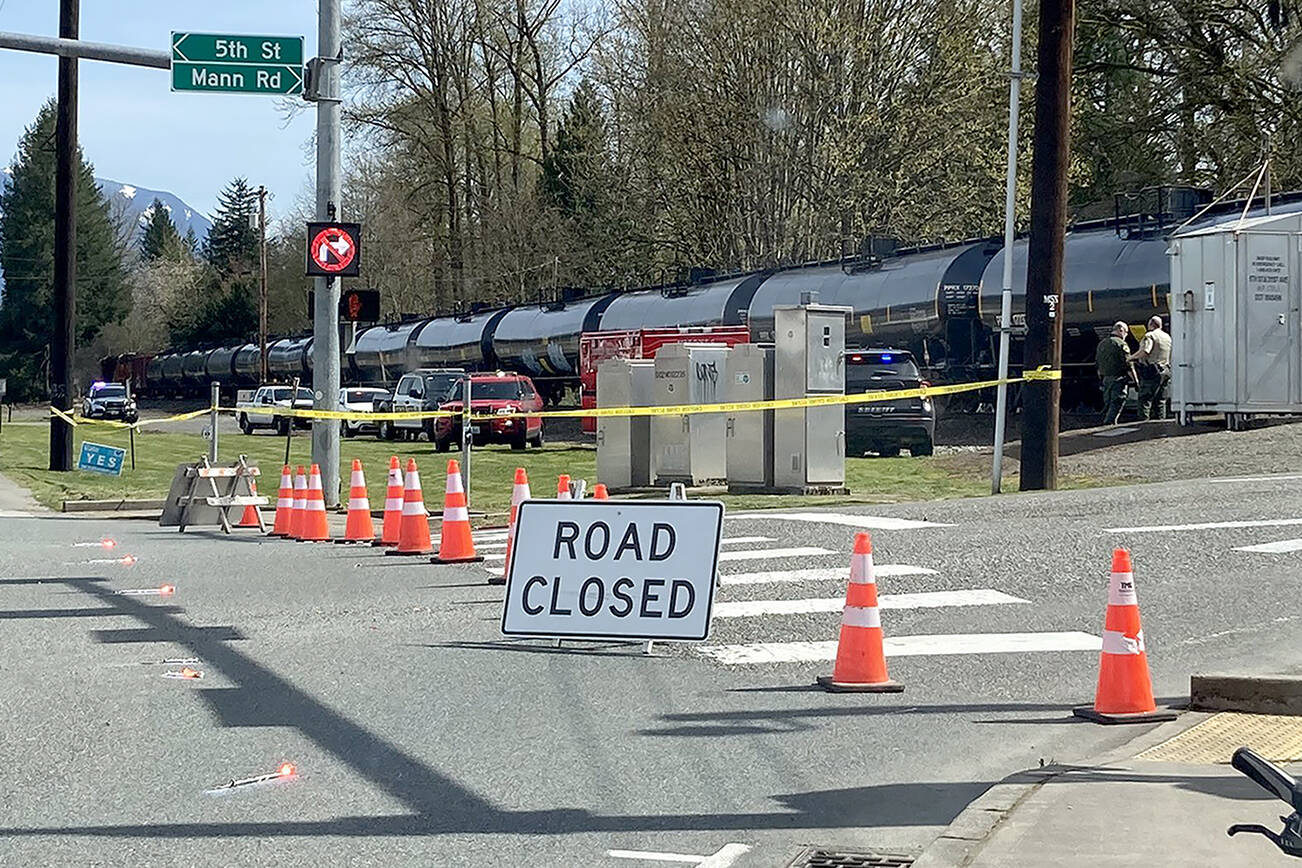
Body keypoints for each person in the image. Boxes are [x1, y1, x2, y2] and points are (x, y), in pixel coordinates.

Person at [1129, 315, 1172, 420]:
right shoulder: (1167, 337)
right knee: (1161, 400)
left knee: (1145, 399)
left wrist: (1131, 358)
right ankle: (1160, 423)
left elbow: (1145, 351)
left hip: (1152, 370)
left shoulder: (1150, 335)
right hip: (1166, 370)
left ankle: (1143, 424)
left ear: (1151, 324)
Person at [1096, 321, 1132, 425]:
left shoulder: (1101, 343)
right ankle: (1109, 423)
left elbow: (1097, 363)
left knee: (1108, 402)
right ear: (1121, 330)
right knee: (1117, 402)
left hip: (1106, 378)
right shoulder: (1121, 344)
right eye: (1126, 332)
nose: (1126, 335)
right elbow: (1128, 365)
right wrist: (1136, 380)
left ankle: (1106, 421)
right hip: (1119, 379)